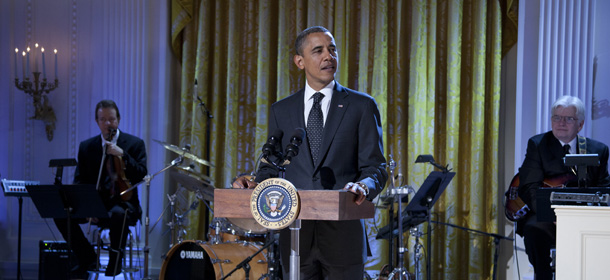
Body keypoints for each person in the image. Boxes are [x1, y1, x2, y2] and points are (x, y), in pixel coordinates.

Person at [233, 26, 388, 279]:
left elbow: (376, 167)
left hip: (343, 240)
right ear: (300, 61)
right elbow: (271, 166)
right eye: (318, 51)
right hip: (295, 240)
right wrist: (254, 183)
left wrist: (363, 186)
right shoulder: (281, 110)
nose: (329, 56)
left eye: (332, 49)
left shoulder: (361, 105)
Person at [517, 95, 610, 280]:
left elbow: (604, 187)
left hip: (586, 216)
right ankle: (543, 276)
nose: (561, 122)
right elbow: (529, 187)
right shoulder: (537, 145)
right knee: (533, 230)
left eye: (569, 118)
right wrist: (556, 216)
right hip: (547, 217)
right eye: (556, 117)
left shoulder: (599, 149)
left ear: (580, 124)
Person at [53, 100, 147, 277]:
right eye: (103, 119)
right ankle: (87, 256)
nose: (108, 123)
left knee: (118, 213)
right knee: (60, 214)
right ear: (97, 122)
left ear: (118, 119)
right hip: (96, 203)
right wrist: (87, 207)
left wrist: (123, 154)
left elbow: (142, 174)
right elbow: (80, 180)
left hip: (124, 204)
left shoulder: (134, 144)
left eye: (111, 119)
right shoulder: (87, 147)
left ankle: (115, 259)